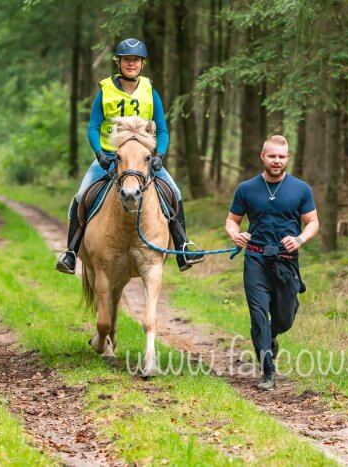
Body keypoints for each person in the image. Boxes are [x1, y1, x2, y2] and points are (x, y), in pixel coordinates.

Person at [55, 38, 202, 274]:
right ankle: (71, 253)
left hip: (144, 160)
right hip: (110, 158)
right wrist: (100, 154)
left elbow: (162, 129)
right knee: (81, 194)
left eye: (135, 60)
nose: (131, 64)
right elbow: (93, 127)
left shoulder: (150, 92)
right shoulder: (105, 91)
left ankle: (184, 247)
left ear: (142, 63)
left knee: (174, 192)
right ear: (119, 62)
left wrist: (160, 155)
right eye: (126, 60)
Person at [225, 135, 319, 391]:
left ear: (287, 158)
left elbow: (313, 222)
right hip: (255, 258)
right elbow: (232, 219)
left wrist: (300, 239)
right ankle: (267, 371)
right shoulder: (247, 188)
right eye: (272, 156)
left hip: (286, 260)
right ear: (262, 156)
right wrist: (236, 234)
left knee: (285, 317)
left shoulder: (300, 189)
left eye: (281, 156)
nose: (276, 161)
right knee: (258, 315)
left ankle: (273, 335)